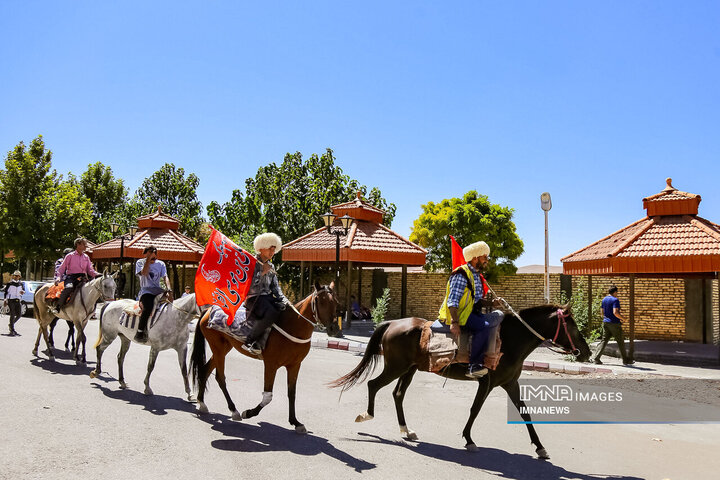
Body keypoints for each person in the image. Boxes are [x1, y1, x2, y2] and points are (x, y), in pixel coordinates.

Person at [438, 241, 505, 378]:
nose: (487, 260)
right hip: (460, 315)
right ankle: (474, 366)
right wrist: (454, 323)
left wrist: (492, 303)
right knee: (484, 327)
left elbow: (476, 300)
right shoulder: (461, 274)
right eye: (484, 257)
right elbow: (453, 300)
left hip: (472, 312)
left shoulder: (475, 275)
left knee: (498, 317)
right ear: (475, 258)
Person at [241, 233, 289, 355]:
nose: (272, 252)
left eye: (274, 249)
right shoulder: (250, 262)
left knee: (284, 310)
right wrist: (261, 273)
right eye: (269, 249)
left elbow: (275, 287)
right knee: (272, 312)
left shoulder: (271, 266)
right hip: (254, 298)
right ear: (261, 248)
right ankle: (250, 340)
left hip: (267, 298)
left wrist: (284, 300)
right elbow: (246, 284)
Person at [52, 238, 98, 314]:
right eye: (84, 244)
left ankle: (91, 311)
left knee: (93, 290)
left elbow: (90, 270)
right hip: (71, 278)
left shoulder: (86, 257)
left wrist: (97, 274)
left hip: (83, 278)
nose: (86, 246)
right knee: (69, 288)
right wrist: (58, 278)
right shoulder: (69, 256)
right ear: (78, 245)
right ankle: (58, 307)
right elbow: (61, 269)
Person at [134, 246, 170, 343]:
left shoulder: (161, 264)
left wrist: (169, 289)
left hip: (159, 291)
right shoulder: (140, 262)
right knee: (148, 307)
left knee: (170, 307)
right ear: (145, 254)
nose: (153, 256)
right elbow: (144, 273)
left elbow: (165, 277)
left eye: (154, 254)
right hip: (146, 291)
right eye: (149, 253)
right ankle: (140, 331)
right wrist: (148, 260)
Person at [592, 285, 634, 365]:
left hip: (606, 322)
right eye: (617, 292)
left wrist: (606, 317)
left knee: (604, 340)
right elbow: (615, 312)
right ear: (615, 292)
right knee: (620, 341)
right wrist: (623, 319)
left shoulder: (604, 299)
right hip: (614, 323)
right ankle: (625, 360)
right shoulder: (615, 300)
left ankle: (596, 358)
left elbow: (602, 311)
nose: (617, 294)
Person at [3, 270, 25, 336]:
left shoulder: (21, 284)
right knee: (12, 314)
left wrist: (22, 292)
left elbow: (23, 291)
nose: (16, 277)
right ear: (13, 276)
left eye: (18, 276)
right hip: (11, 300)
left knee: (19, 314)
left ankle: (11, 324)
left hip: (18, 300)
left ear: (19, 277)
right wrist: (5, 300)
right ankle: (12, 330)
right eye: (15, 276)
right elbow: (6, 292)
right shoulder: (9, 284)